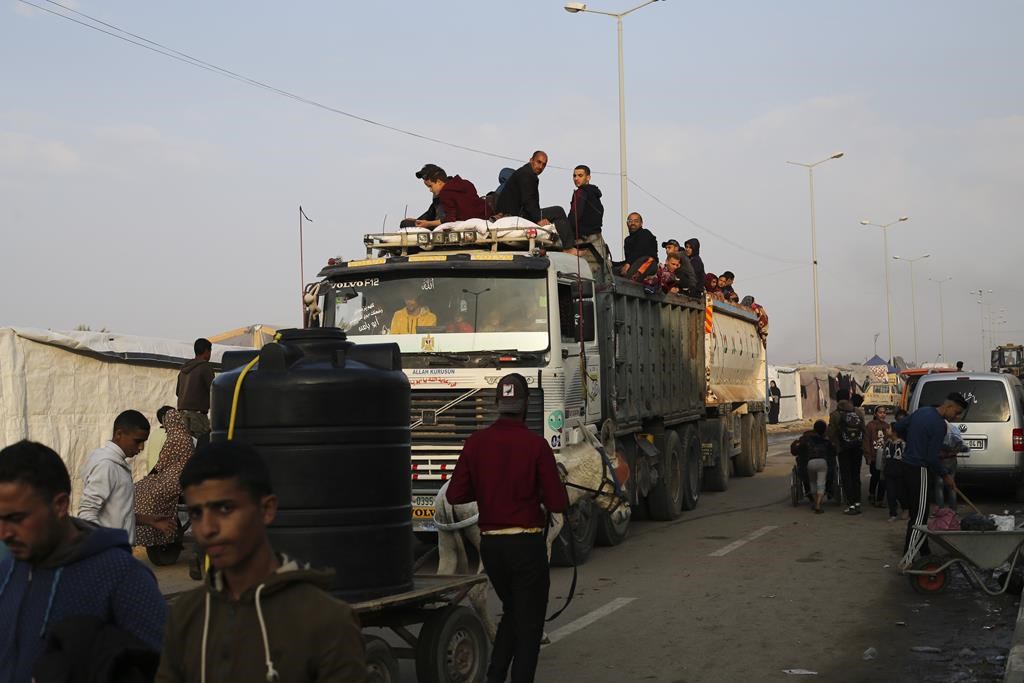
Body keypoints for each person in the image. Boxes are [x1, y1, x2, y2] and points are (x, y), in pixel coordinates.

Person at [156, 441, 366, 683]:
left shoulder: (326, 621)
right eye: (196, 513)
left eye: (225, 508)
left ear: (267, 509)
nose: (207, 528)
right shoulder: (186, 615)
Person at [0, 440, 167, 682]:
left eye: (17, 518)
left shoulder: (122, 576)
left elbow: (164, 668)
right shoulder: (6, 572)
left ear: (59, 505)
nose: (4, 533)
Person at [446, 373, 569, 683]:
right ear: (525, 404)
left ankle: (495, 676)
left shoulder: (475, 443)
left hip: (492, 548)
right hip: (526, 548)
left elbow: (455, 495)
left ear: (497, 404)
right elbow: (557, 503)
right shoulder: (536, 445)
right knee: (529, 629)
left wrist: (490, 492)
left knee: (513, 613)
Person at [79, 410, 174, 544]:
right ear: (119, 434)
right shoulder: (107, 466)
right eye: (137, 441)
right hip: (110, 554)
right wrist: (105, 548)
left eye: (143, 442)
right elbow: (87, 513)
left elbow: (116, 514)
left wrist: (150, 520)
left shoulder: (117, 464)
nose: (141, 447)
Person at [894, 393, 967, 557]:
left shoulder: (922, 411)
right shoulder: (939, 425)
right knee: (919, 518)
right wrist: (946, 475)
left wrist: (912, 440)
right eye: (956, 412)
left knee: (918, 512)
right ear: (948, 406)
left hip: (905, 466)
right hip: (919, 469)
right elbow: (931, 458)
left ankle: (924, 552)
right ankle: (908, 557)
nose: (956, 417)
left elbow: (898, 428)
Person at [134, 408, 195, 549]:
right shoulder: (186, 436)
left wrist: (148, 477)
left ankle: (156, 533)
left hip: (175, 476)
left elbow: (161, 463)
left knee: (143, 490)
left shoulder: (174, 437)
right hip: (181, 475)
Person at [408, 164, 487, 228]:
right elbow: (432, 212)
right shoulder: (465, 183)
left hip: (464, 224)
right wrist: (419, 220)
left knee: (406, 224)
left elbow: (449, 219)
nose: (430, 190)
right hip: (485, 217)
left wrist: (428, 224)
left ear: (439, 182)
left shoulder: (445, 193)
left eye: (430, 186)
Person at [560, 165, 607, 268]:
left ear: (588, 177)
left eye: (580, 175)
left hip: (582, 241)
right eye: (574, 176)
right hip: (597, 241)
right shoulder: (595, 195)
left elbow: (574, 217)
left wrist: (566, 236)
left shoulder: (580, 193)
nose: (576, 178)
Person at [828, 389, 866, 515]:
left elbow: (831, 434)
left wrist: (835, 446)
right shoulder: (858, 412)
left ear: (837, 399)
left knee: (846, 476)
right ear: (849, 398)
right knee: (855, 475)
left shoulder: (835, 414)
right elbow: (863, 430)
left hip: (843, 449)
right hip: (857, 448)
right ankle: (858, 502)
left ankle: (850, 504)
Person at [494, 151, 552, 226]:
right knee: (558, 212)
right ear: (531, 160)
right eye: (538, 162)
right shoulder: (527, 174)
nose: (541, 167)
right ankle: (570, 238)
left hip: (518, 214)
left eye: (544, 165)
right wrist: (538, 219)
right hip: (515, 215)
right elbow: (528, 201)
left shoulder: (527, 174)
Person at [177, 338, 216, 444]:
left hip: (182, 416)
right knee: (202, 447)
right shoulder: (205, 367)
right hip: (197, 417)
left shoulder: (183, 369)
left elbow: (177, 392)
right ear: (207, 351)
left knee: (185, 448)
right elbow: (214, 391)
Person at [797, 420, 835, 513]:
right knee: (821, 483)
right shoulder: (826, 441)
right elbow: (833, 452)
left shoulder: (806, 440)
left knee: (813, 483)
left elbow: (797, 449)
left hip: (810, 463)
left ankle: (815, 502)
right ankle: (818, 504)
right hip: (822, 462)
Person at [883, 409, 909, 521]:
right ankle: (892, 513)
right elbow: (884, 457)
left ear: (894, 432)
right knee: (890, 494)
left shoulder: (903, 444)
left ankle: (906, 508)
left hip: (900, 473)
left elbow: (906, 458)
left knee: (900, 493)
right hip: (889, 472)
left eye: (888, 429)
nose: (886, 430)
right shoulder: (887, 443)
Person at [619, 212, 658, 280]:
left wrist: (628, 263)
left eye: (636, 221)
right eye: (630, 221)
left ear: (641, 223)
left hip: (647, 263)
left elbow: (641, 250)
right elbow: (628, 259)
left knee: (645, 260)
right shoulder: (627, 240)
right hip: (633, 264)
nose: (633, 223)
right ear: (627, 223)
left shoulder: (645, 233)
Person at [863, 406, 889, 507]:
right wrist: (868, 456)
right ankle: (872, 494)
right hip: (874, 456)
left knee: (883, 478)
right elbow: (866, 441)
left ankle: (880, 499)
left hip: (884, 457)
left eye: (884, 412)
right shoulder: (870, 426)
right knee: (875, 476)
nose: (883, 414)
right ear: (875, 414)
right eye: (880, 412)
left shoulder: (887, 426)